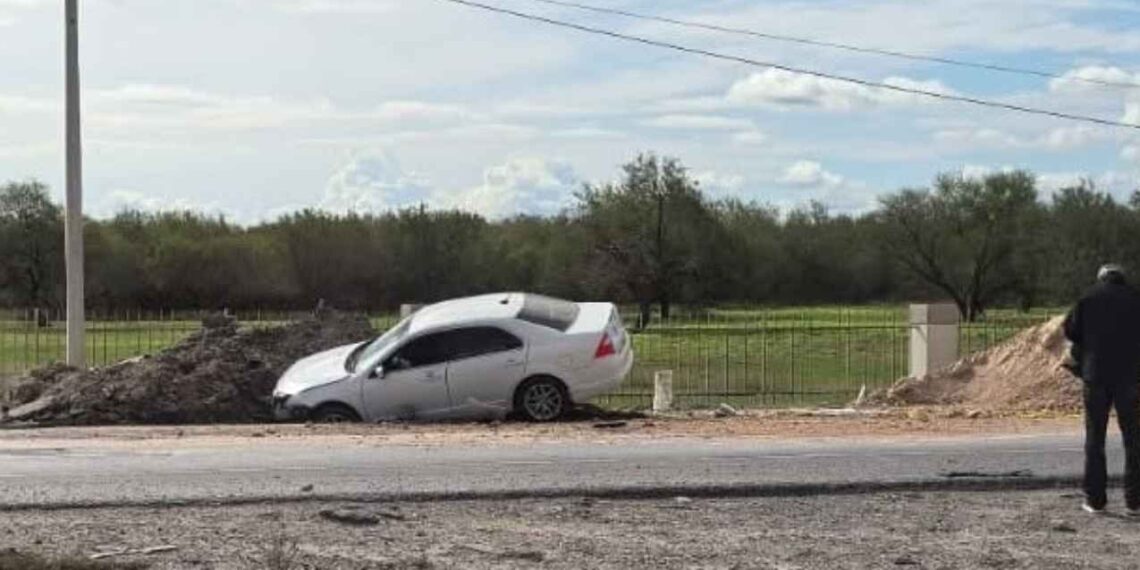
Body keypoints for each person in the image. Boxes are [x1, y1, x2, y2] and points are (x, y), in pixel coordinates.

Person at [1063, 264, 1140, 515]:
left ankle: (1095, 500)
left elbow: (1071, 331)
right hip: (1129, 377)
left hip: (1095, 377)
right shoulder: (1135, 298)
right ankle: (1135, 501)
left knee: (1095, 438)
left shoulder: (1088, 298)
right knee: (1133, 439)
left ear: (1101, 278)